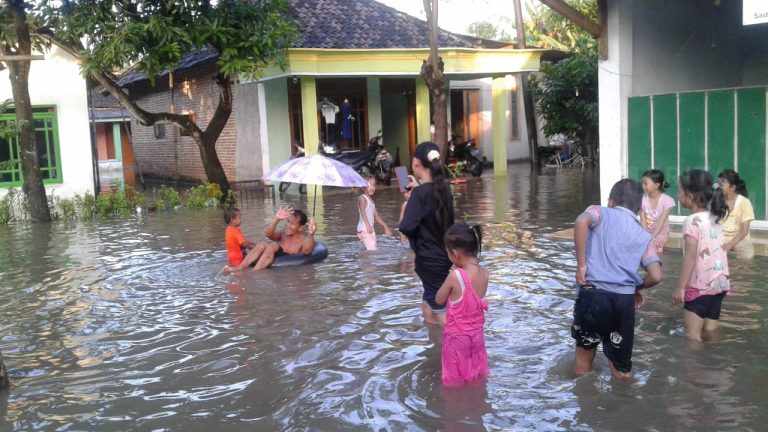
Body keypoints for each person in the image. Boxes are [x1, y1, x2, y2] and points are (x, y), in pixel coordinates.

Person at [572, 179, 663, 380]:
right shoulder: (643, 235)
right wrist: (637, 287)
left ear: (611, 201)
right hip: (623, 303)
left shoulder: (600, 212)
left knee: (583, 361)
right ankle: (624, 405)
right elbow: (656, 275)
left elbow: (580, 222)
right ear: (639, 208)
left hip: (593, 295)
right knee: (621, 369)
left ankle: (586, 407)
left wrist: (581, 266)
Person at [400, 142, 455, 325]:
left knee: (439, 308)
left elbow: (407, 227)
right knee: (427, 305)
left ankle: (455, 347)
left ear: (416, 165)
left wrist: (411, 203)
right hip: (444, 256)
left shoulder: (420, 194)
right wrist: (416, 194)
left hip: (428, 260)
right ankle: (434, 347)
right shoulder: (445, 190)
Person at [674, 170, 731, 342]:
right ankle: (716, 364)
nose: (678, 196)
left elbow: (690, 257)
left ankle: (695, 368)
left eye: (679, 192)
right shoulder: (715, 217)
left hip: (699, 288)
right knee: (711, 333)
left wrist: (680, 287)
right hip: (719, 284)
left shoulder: (692, 221)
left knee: (693, 338)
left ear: (690, 196)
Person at [436, 223, 489, 387]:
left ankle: (456, 409)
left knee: (454, 382)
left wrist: (450, 275)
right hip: (477, 338)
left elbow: (439, 299)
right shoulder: (485, 273)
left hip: (457, 340)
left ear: (455, 254)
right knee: (474, 375)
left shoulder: (456, 276)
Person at [232, 206, 317, 271]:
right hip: (272, 255)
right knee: (262, 244)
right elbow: (268, 234)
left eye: (292, 224)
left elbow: (307, 251)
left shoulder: (304, 239)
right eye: (287, 222)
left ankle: (255, 272)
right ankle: (239, 268)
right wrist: (277, 219)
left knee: (273, 245)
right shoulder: (283, 234)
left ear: (300, 228)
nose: (288, 226)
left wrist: (311, 233)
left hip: (286, 262)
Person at [718, 169, 755, 259]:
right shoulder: (717, 201)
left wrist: (729, 245)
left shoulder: (744, 202)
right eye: (719, 182)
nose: (719, 185)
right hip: (720, 237)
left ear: (732, 187)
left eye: (723, 182)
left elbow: (744, 231)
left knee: (747, 254)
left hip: (740, 238)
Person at [640, 169, 675, 254]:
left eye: (645, 183)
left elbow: (661, 221)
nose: (643, 186)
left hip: (660, 233)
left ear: (656, 185)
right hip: (646, 232)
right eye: (642, 183)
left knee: (655, 249)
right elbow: (642, 219)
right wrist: (646, 236)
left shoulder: (667, 200)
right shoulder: (642, 199)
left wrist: (653, 237)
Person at [357, 177, 393, 251]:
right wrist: (367, 225)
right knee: (372, 251)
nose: (372, 188)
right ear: (363, 187)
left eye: (374, 185)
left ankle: (363, 260)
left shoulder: (371, 201)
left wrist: (385, 226)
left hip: (369, 228)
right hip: (365, 228)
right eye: (370, 185)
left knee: (371, 249)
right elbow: (363, 212)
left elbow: (376, 216)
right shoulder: (362, 198)